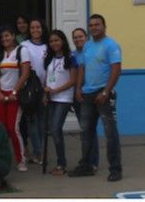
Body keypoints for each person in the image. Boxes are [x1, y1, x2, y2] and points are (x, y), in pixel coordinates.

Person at [68, 14, 123, 182]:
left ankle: (115, 169)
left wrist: (106, 92)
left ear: (104, 26)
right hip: (87, 94)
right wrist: (78, 88)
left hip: (104, 94)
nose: (93, 28)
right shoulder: (87, 46)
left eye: (97, 25)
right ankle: (86, 166)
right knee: (86, 133)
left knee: (110, 133)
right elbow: (82, 68)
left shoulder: (111, 45)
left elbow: (116, 70)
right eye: (91, 25)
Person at [0, 27, 30, 171]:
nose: (5, 40)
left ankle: (21, 160)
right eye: (2, 38)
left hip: (15, 95)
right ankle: (2, 158)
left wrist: (14, 91)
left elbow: (25, 73)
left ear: (13, 35)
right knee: (1, 129)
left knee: (13, 128)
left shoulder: (22, 51)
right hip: (0, 94)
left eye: (7, 36)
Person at [43, 30, 77, 175]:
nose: (54, 43)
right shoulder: (49, 58)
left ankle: (61, 164)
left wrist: (56, 90)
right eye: (51, 41)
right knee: (52, 129)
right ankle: (60, 163)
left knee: (56, 129)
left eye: (57, 40)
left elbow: (73, 80)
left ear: (63, 41)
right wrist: (46, 92)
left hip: (64, 98)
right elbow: (48, 77)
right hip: (51, 98)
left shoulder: (70, 58)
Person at [19, 18, 48, 165]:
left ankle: (40, 151)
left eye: (38, 27)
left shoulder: (48, 46)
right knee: (32, 122)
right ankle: (37, 152)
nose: (35, 30)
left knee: (42, 122)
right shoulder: (24, 45)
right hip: (30, 90)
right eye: (32, 28)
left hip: (44, 89)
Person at [69, 26, 97, 171]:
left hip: (90, 94)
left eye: (80, 36)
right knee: (84, 129)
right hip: (78, 96)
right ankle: (87, 159)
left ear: (86, 38)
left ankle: (93, 162)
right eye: (75, 37)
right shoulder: (72, 55)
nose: (78, 39)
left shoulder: (91, 53)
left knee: (89, 129)